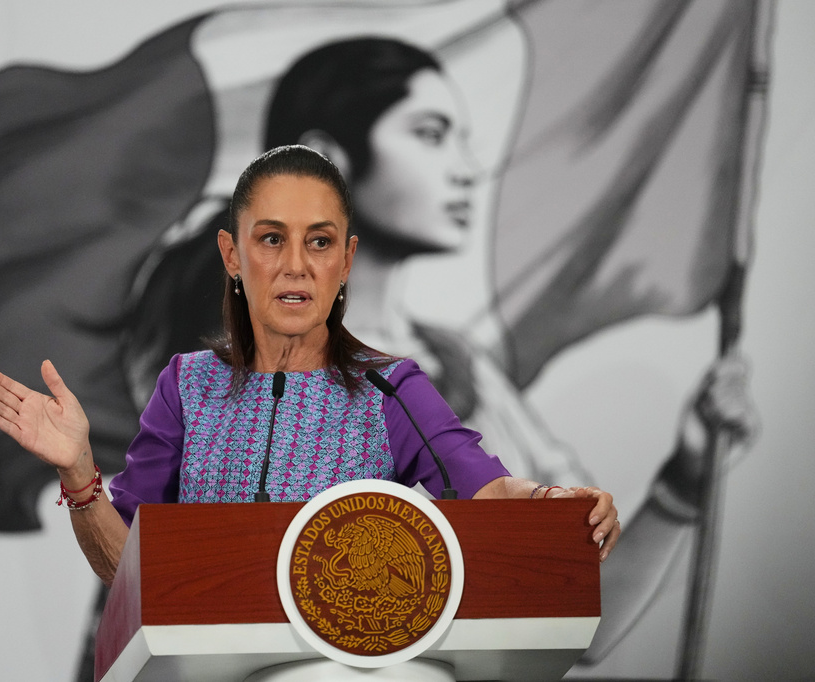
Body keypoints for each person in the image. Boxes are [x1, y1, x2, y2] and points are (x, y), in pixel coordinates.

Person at [120, 37, 755, 662]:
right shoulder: (209, 384)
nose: (466, 167)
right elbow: (162, 596)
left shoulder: (458, 373)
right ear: (324, 160)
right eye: (429, 133)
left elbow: (574, 609)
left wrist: (683, 481)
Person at [0, 145, 621, 587]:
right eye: (271, 238)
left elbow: (490, 491)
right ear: (232, 254)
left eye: (320, 242)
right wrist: (79, 470)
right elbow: (127, 570)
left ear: (346, 260)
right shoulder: (186, 386)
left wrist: (557, 504)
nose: (296, 265)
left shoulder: (391, 389)